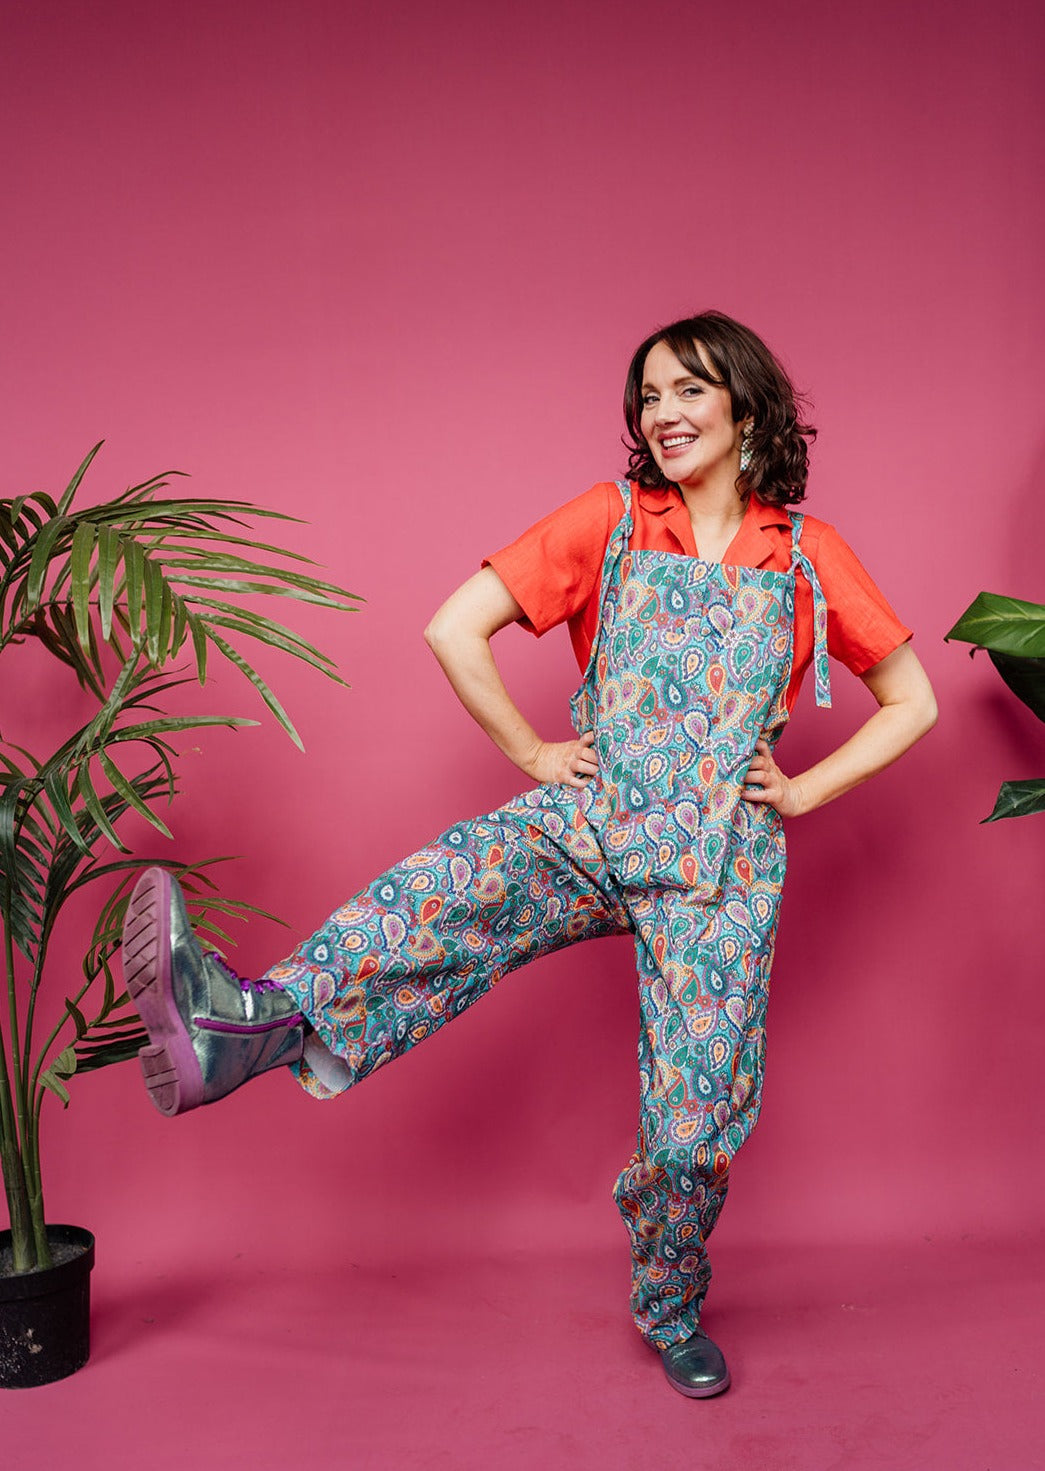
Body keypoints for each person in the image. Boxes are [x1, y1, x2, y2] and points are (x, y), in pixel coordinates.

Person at [121, 311, 937, 1398]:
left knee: (695, 1127)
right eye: (647, 396)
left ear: (748, 407)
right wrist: (534, 750)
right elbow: (454, 628)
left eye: (689, 390)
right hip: (596, 820)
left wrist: (797, 790)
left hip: (721, 866)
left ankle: (668, 1300)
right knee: (443, 893)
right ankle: (250, 1025)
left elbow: (911, 701)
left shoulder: (804, 552)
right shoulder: (607, 521)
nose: (663, 413)